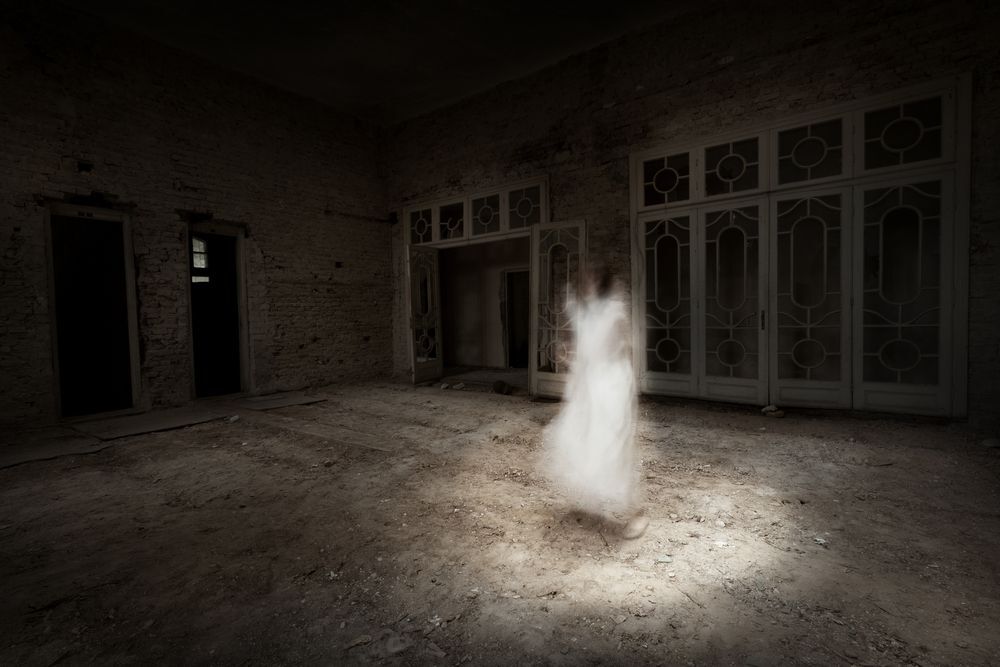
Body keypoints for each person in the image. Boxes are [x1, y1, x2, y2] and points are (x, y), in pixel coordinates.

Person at [543, 263, 648, 539]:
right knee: (583, 443)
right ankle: (594, 505)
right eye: (584, 279)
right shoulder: (588, 312)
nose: (586, 283)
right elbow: (585, 347)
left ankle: (635, 512)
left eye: (592, 278)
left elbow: (619, 348)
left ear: (600, 283)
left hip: (612, 388)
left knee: (613, 451)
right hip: (591, 387)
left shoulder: (614, 311)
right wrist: (570, 356)